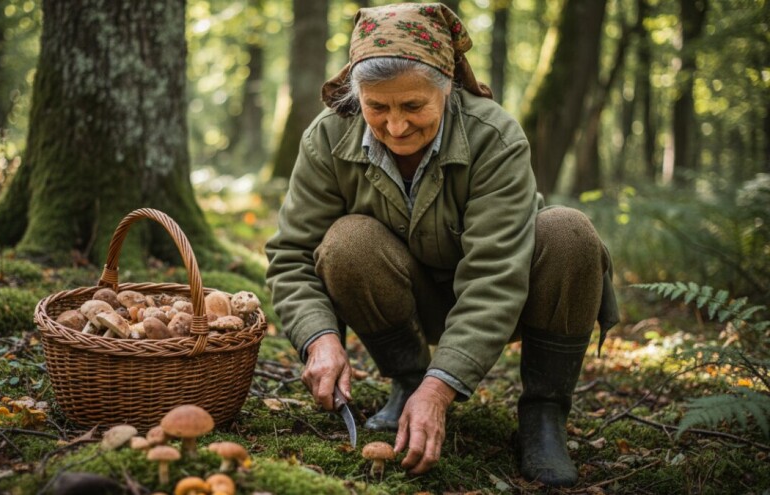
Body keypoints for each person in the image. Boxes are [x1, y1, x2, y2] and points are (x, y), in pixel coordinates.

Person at [265, 2, 618, 487]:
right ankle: (406, 380)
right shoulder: (327, 138)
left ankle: (544, 415)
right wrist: (318, 338)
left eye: (413, 106)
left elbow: (496, 275)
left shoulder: (494, 136)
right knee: (347, 242)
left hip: (513, 296)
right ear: (356, 95)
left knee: (570, 231)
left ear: (447, 87)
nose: (394, 126)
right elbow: (291, 255)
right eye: (376, 107)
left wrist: (443, 388)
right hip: (407, 298)